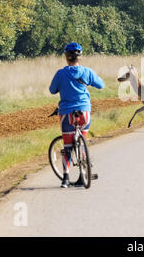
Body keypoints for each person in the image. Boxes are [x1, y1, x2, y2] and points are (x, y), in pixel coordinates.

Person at [49, 42, 105, 188]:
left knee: (68, 146)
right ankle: (83, 175)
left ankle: (66, 178)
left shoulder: (61, 73)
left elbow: (52, 90)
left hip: (67, 112)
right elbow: (101, 85)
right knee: (82, 141)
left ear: (66, 57)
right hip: (84, 112)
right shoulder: (86, 72)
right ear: (80, 57)